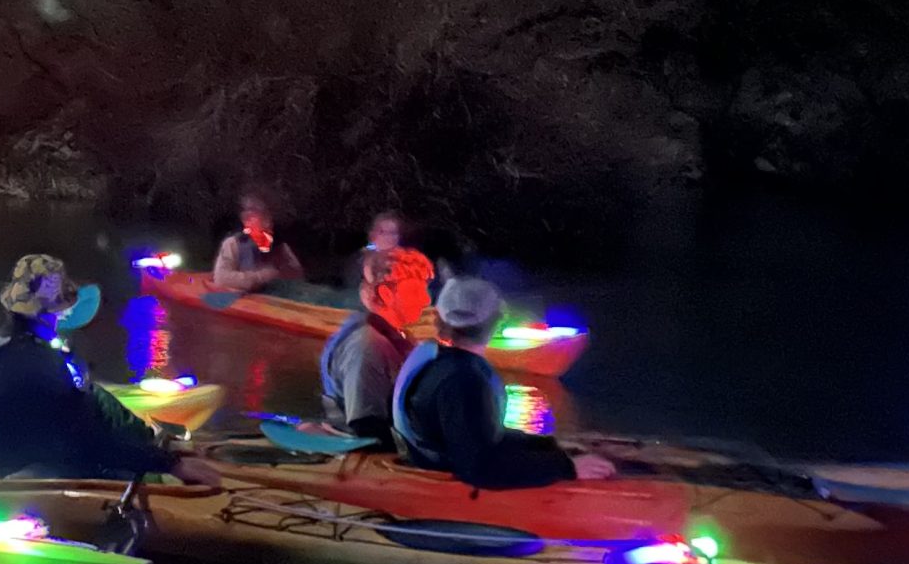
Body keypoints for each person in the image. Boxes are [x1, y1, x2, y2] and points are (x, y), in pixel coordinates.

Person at [0, 254, 225, 485]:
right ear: (48, 313)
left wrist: (155, 444)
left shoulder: (2, 343)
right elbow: (89, 439)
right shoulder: (33, 364)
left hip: (32, 455)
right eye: (61, 310)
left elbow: (91, 403)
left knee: (99, 402)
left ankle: (155, 442)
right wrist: (171, 465)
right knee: (141, 477)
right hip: (20, 474)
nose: (65, 315)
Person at [391, 276, 616, 487]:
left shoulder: (444, 365)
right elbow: (479, 467)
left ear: (440, 321)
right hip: (448, 486)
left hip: (439, 460)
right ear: (497, 319)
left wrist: (546, 445)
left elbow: (479, 436)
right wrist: (567, 467)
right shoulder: (462, 380)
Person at [320, 247, 435, 442]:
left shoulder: (397, 336)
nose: (426, 300)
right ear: (386, 294)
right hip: (361, 447)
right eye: (416, 290)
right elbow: (366, 426)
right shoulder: (367, 346)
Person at [210, 196, 303, 294]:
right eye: (250, 217)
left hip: (273, 301)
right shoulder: (232, 244)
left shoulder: (279, 247)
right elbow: (222, 278)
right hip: (245, 303)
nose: (266, 223)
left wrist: (279, 272)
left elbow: (298, 277)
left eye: (266, 217)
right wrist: (261, 277)